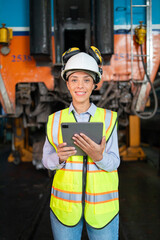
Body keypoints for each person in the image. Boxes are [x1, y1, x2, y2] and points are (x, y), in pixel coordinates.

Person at [42, 46, 120, 240]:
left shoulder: (109, 119)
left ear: (94, 84)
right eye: (74, 80)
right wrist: (58, 158)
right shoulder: (55, 120)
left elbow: (114, 162)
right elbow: (46, 161)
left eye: (87, 80)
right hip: (65, 210)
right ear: (67, 84)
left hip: (103, 212)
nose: (80, 86)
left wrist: (99, 157)